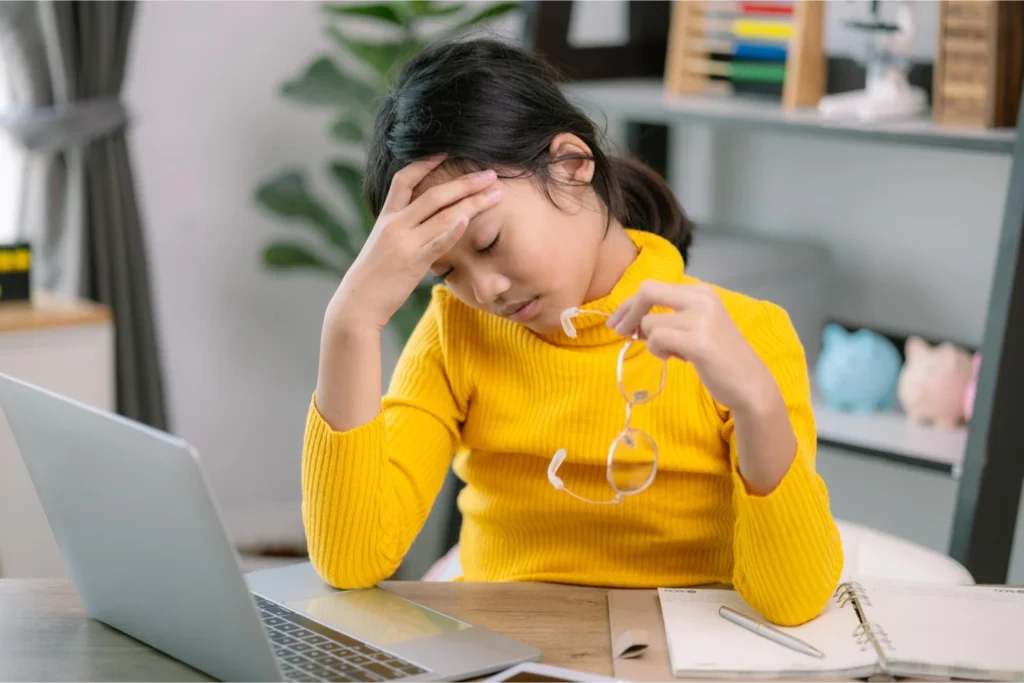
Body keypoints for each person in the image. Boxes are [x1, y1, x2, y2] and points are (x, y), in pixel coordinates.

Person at [303, 37, 843, 627]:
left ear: (571, 164)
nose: (483, 290)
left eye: (489, 243)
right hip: (507, 654)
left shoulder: (747, 334)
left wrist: (756, 403)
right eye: (447, 269)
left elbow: (793, 602)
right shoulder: (455, 331)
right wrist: (350, 323)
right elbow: (350, 561)